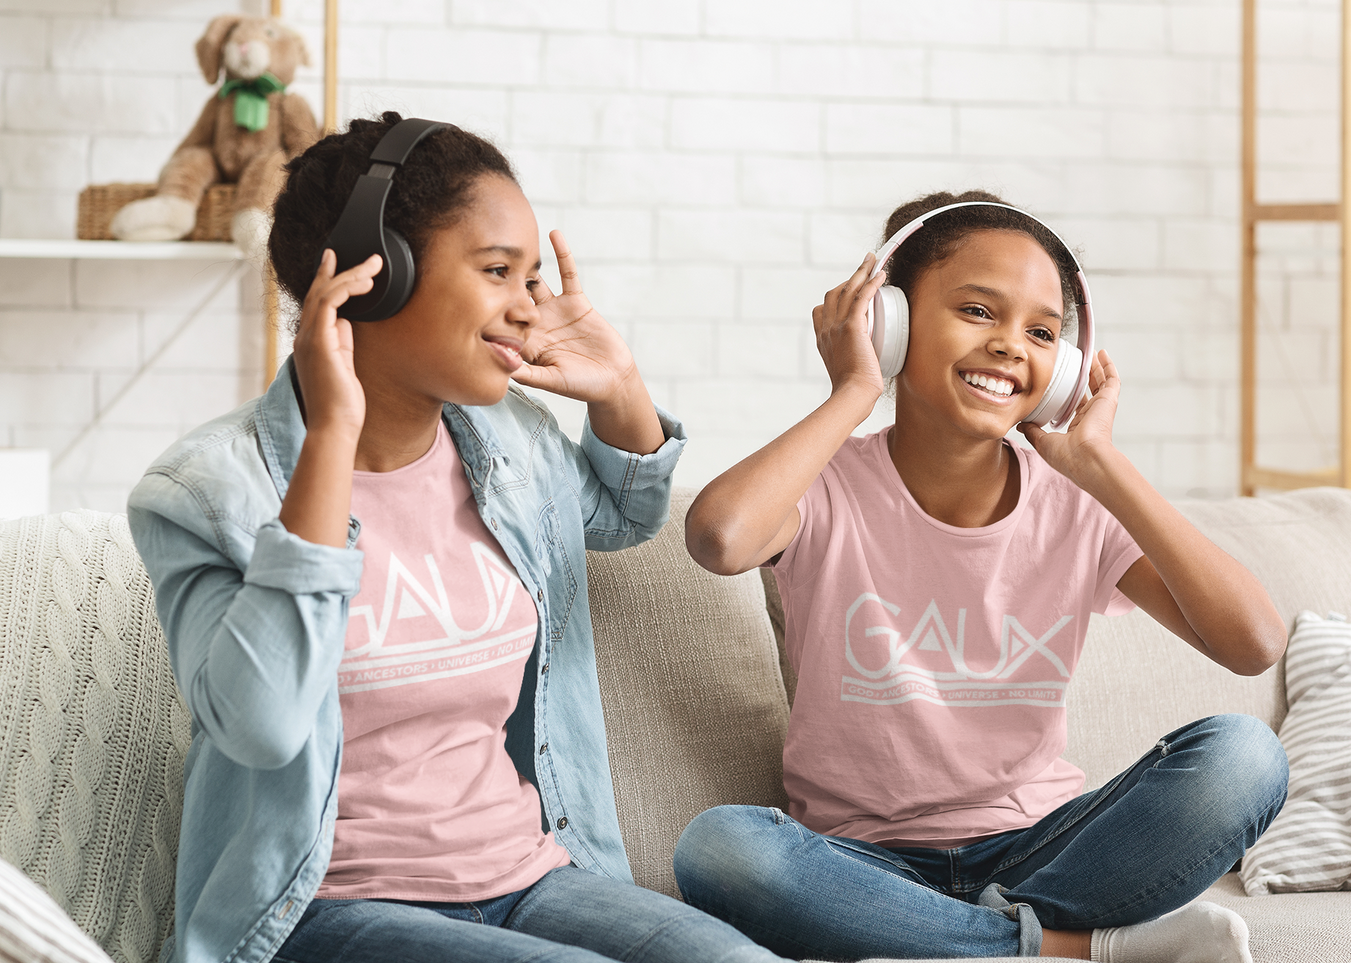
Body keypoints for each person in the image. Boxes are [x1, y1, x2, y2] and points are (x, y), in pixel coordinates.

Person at [126, 113, 780, 963]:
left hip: (527, 878)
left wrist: (617, 385)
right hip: (324, 908)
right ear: (378, 275)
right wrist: (329, 440)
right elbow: (264, 723)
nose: (527, 306)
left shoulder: (509, 442)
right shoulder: (206, 490)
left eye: (531, 277)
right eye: (498, 271)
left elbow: (622, 515)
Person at [673, 190, 1291, 963]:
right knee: (720, 846)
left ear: (1062, 369)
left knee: (1245, 756)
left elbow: (1253, 641)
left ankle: (955, 945)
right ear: (886, 323)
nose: (1009, 344)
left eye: (1040, 331)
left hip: (1044, 850)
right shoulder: (825, 488)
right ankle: (1064, 951)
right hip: (868, 864)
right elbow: (718, 537)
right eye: (977, 310)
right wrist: (853, 389)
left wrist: (1103, 465)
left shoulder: (1076, 503)